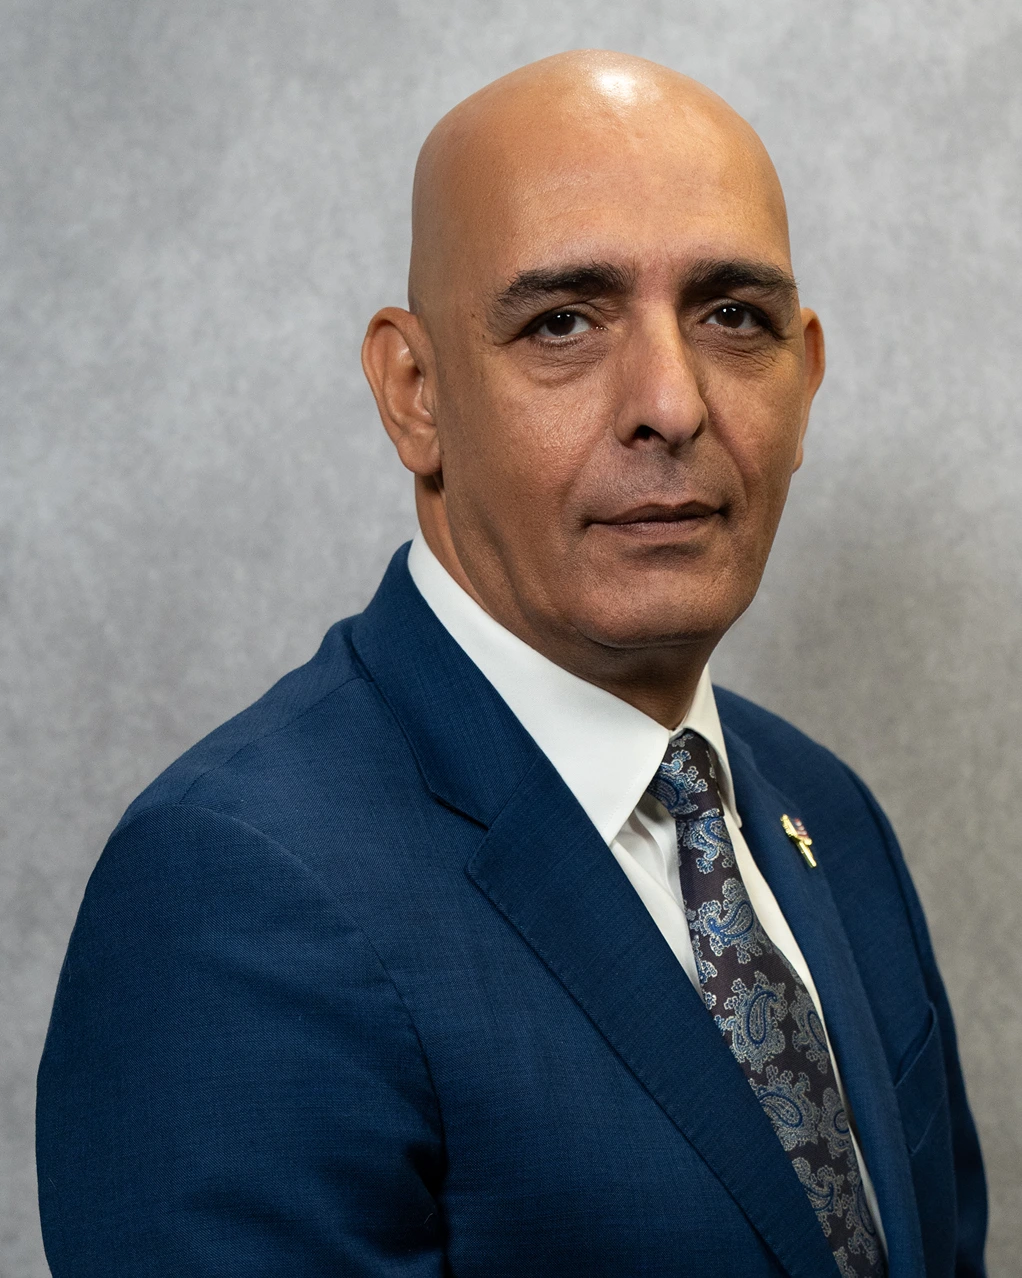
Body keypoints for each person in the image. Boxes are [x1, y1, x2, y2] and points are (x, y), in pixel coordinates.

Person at [36, 50, 986, 1278]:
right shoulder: (232, 893)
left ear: (803, 375)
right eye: (564, 322)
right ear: (415, 392)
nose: (670, 403)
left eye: (730, 317)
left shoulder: (826, 815)